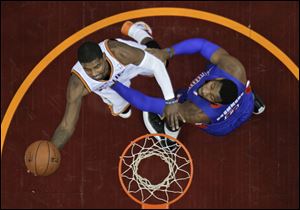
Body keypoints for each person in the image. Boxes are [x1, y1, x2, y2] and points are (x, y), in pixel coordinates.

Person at [50, 21, 181, 150]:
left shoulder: (119, 52)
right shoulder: (77, 84)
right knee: (124, 111)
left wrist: (170, 100)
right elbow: (66, 125)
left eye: (97, 66)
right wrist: (52, 150)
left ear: (103, 57)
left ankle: (138, 32)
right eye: (88, 69)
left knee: (161, 61)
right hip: (108, 85)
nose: (94, 73)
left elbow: (155, 65)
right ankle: (111, 96)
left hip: (126, 66)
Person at [111, 36, 266, 138]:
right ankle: (251, 101)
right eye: (211, 86)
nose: (205, 90)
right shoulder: (234, 68)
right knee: (220, 66)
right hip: (245, 103)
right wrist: (168, 52)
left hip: (221, 127)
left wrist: (114, 84)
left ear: (215, 103)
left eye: (211, 96)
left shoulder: (198, 112)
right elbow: (201, 45)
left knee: (176, 107)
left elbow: (147, 103)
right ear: (220, 77)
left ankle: (171, 133)